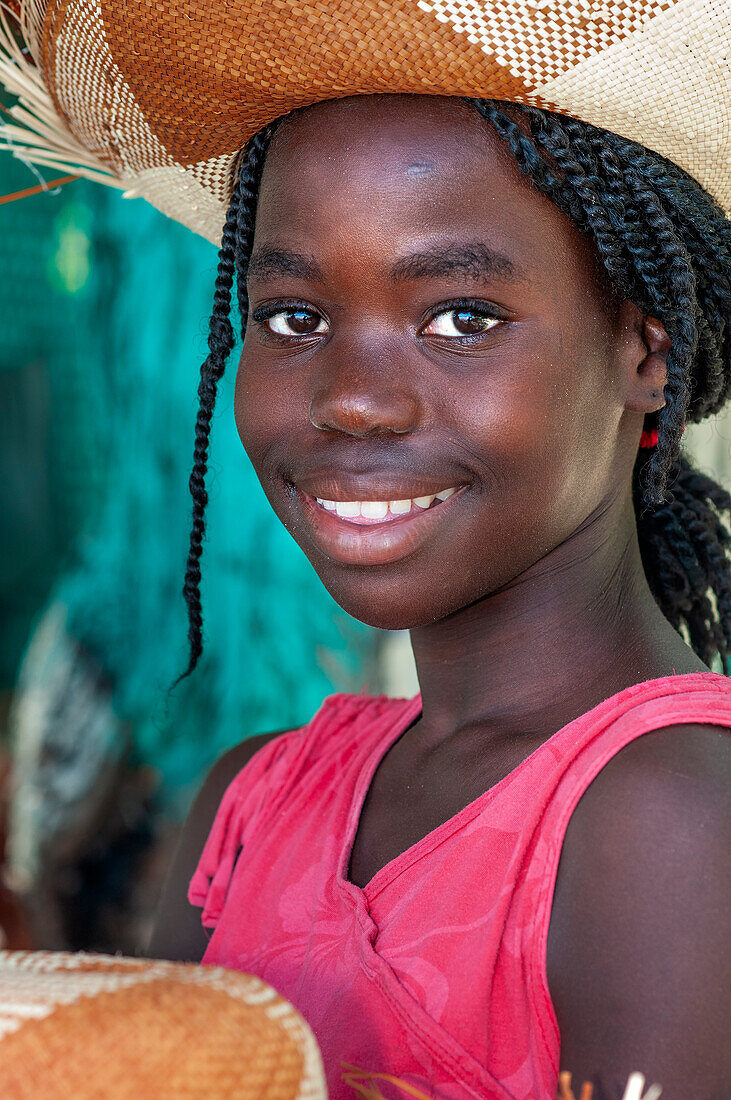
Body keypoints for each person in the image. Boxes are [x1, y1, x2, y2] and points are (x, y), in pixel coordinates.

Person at [1, 5, 729, 1100]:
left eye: (460, 317)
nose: (352, 399)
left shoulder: (666, 818)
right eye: (293, 317)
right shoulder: (251, 797)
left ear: (642, 354)